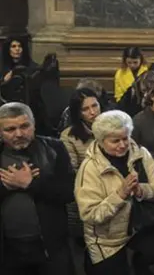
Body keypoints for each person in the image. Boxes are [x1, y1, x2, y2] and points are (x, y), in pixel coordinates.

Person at [75, 111, 154, 275]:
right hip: (107, 243)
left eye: (125, 138)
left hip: (139, 229)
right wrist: (120, 195)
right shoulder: (90, 168)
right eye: (115, 141)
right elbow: (90, 215)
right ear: (101, 141)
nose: (123, 145)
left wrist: (142, 190)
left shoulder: (140, 153)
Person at [0, 102, 75, 275]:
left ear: (34, 125)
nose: (19, 134)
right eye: (10, 129)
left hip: (51, 246)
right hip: (8, 250)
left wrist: (30, 184)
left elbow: (69, 191)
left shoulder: (55, 148)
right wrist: (6, 185)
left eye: (24, 126)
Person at [60, 88, 102, 170]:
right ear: (78, 113)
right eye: (85, 109)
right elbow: (71, 171)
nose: (92, 112)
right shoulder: (68, 136)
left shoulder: (113, 126)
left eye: (95, 106)